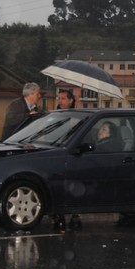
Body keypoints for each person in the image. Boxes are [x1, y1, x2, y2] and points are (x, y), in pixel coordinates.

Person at [54, 88, 81, 231]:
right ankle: (59, 212)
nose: (60, 101)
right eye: (59, 98)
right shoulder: (56, 115)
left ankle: (74, 212)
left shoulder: (78, 117)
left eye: (63, 98)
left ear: (71, 101)